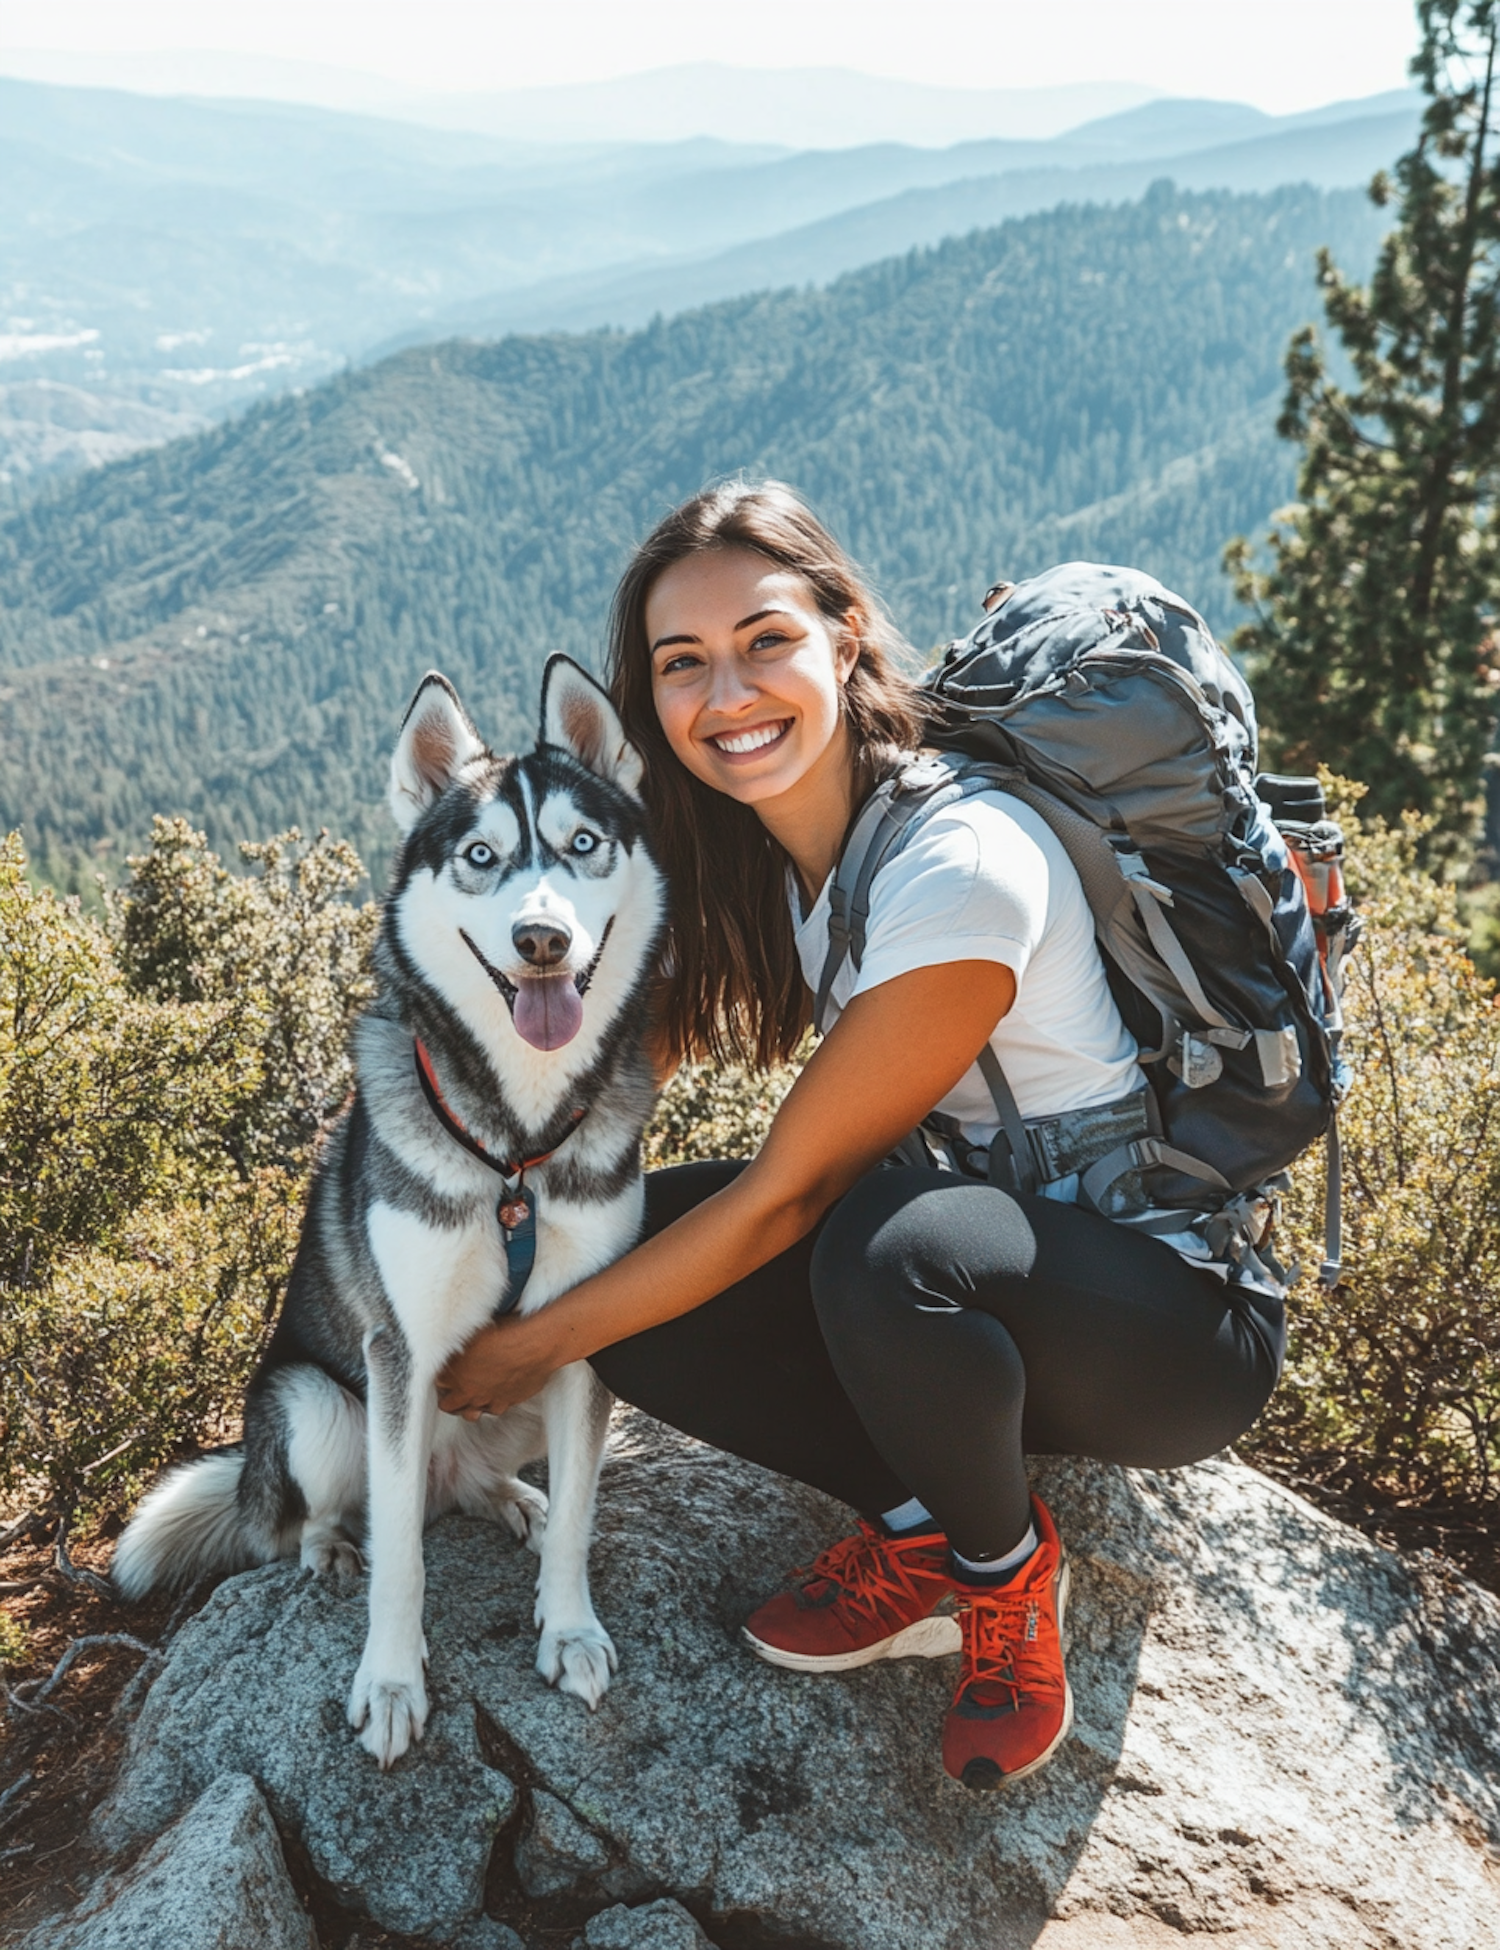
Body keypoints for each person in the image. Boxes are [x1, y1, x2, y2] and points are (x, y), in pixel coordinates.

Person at [435, 481, 1286, 1791]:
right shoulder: (790, 856)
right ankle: (921, 1526)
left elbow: (789, 1195)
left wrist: (539, 1343)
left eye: (766, 639)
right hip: (1008, 1296)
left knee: (873, 1251)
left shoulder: (959, 859)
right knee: (633, 1243)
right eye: (683, 663)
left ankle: (1005, 1572)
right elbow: (617, 1055)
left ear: (843, 632)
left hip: (1170, 1323)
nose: (728, 693)